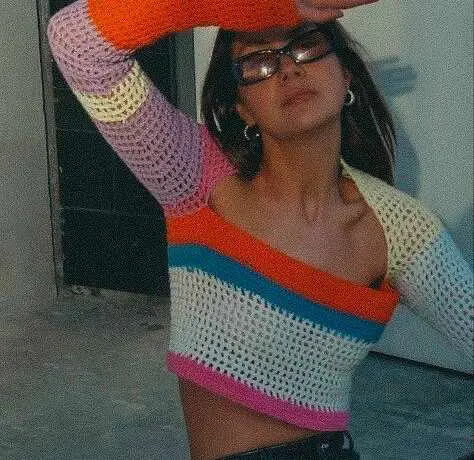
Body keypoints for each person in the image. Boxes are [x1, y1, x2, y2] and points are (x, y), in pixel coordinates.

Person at [47, 0, 473, 458]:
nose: (288, 68)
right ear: (242, 109)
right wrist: (247, 3)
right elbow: (77, 44)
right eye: (257, 62)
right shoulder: (195, 178)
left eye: (306, 45)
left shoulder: (400, 230)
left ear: (346, 75)